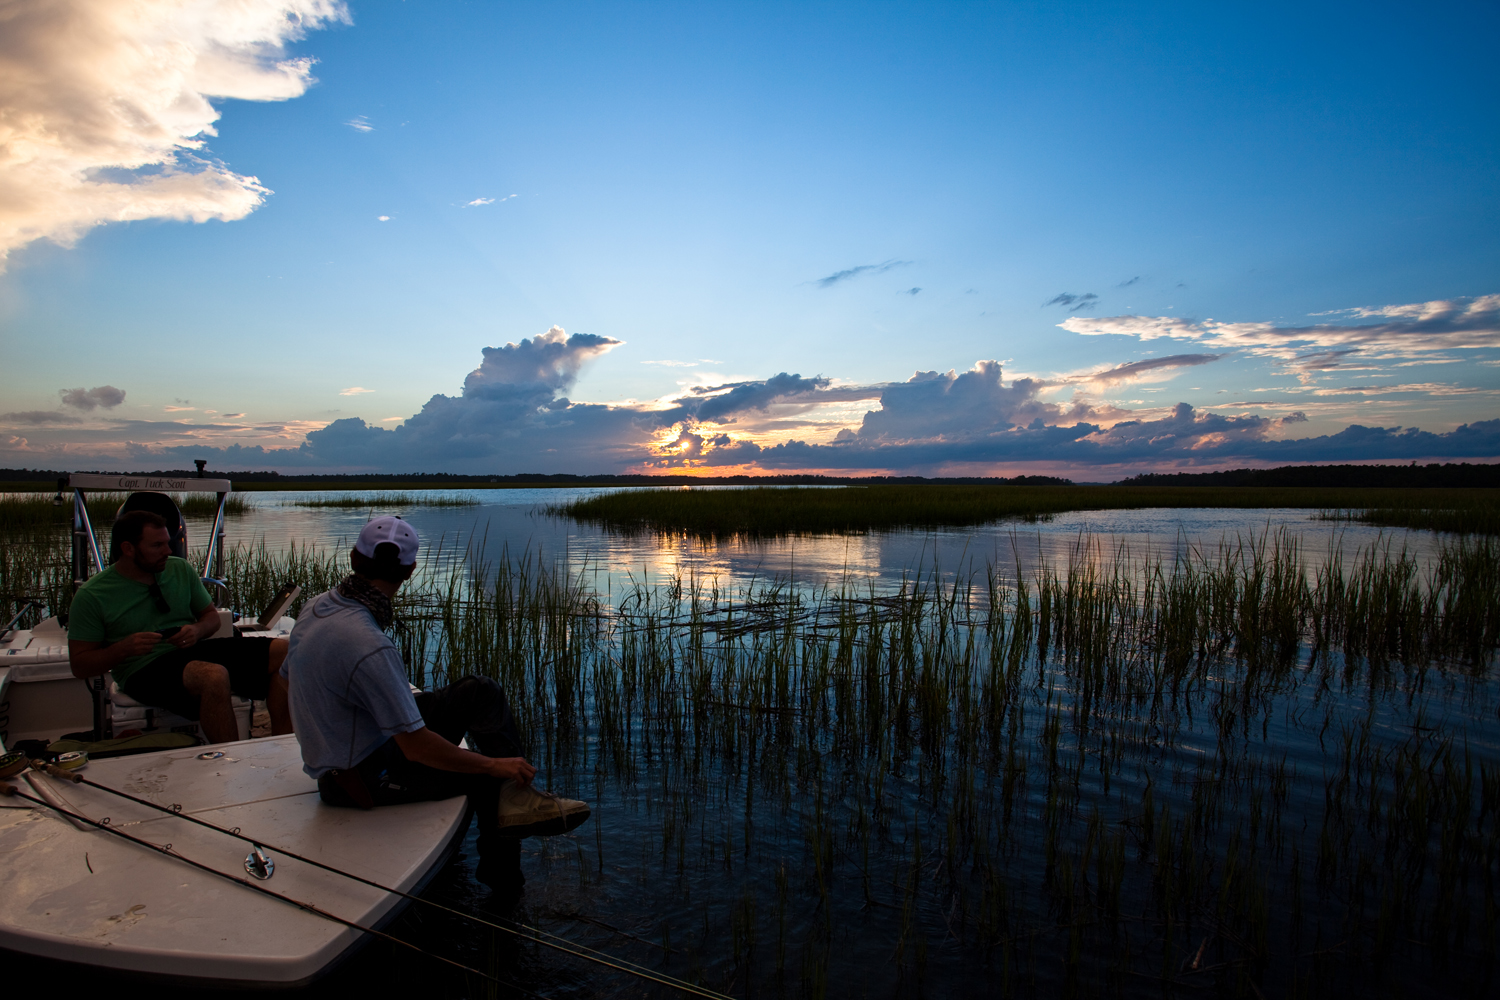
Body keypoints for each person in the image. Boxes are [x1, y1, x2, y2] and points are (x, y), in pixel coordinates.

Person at [280, 515, 589, 891]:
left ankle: (515, 798)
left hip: (367, 744)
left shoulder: (315, 608)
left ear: (352, 558)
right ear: (410, 570)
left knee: (480, 690)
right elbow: (416, 748)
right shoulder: (368, 644)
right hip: (360, 778)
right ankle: (504, 879)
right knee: (486, 777)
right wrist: (495, 765)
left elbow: (284, 681)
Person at [68, 509, 292, 744]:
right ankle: (229, 759)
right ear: (128, 549)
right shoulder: (92, 595)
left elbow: (211, 618)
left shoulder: (179, 569)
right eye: (157, 546)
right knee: (213, 675)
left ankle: (280, 747)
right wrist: (124, 648)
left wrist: (197, 630)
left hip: (191, 652)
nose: (168, 551)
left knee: (286, 652)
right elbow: (80, 666)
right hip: (141, 670)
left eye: (168, 543)